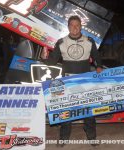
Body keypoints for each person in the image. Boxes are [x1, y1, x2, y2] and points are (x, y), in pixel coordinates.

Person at [41, 15, 103, 146]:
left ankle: (91, 136)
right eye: (72, 25)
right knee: (66, 111)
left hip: (85, 81)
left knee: (89, 111)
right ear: (68, 27)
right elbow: (52, 60)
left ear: (81, 26)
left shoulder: (89, 41)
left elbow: (97, 57)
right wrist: (43, 58)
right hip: (67, 82)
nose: (75, 28)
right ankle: (64, 137)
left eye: (77, 25)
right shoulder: (61, 42)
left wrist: (99, 66)